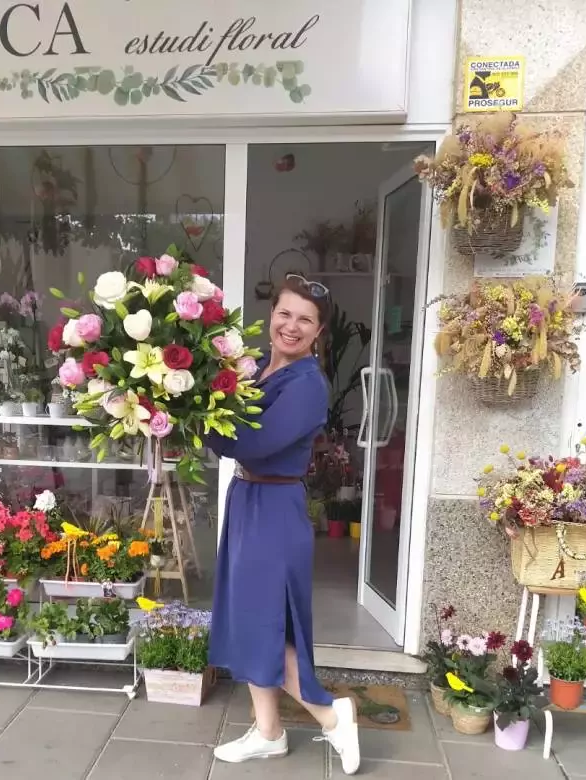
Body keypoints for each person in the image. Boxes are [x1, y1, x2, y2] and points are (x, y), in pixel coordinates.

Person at [207, 274, 360, 775]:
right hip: (248, 498)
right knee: (254, 619)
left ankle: (330, 714)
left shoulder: (308, 385)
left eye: (306, 320)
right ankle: (269, 732)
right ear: (271, 315)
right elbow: (234, 440)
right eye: (285, 314)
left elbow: (247, 444)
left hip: (274, 510)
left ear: (319, 333)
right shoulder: (259, 371)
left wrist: (198, 418)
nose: (291, 327)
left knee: (267, 625)